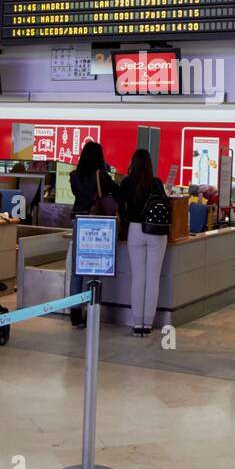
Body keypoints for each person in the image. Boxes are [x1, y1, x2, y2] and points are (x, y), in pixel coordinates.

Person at [67, 141, 119, 328]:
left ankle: (74, 312)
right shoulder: (102, 175)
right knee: (94, 269)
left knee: (77, 269)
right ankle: (91, 311)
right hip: (97, 223)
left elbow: (78, 195)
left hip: (79, 221)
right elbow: (116, 192)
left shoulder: (74, 176)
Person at [119, 148, 169, 336]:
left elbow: (120, 207)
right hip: (155, 231)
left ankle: (137, 322)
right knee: (152, 278)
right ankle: (147, 324)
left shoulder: (126, 182)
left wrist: (128, 219)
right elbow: (166, 205)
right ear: (149, 164)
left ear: (133, 162)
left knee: (138, 277)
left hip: (135, 230)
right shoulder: (156, 183)